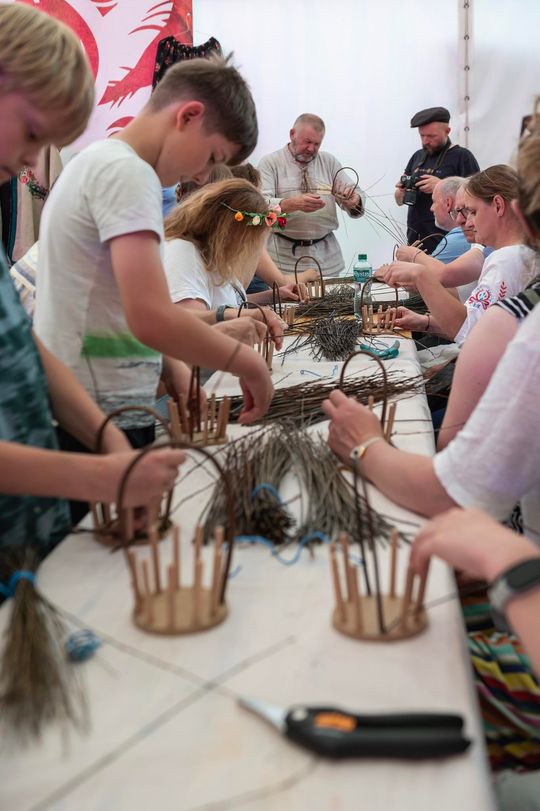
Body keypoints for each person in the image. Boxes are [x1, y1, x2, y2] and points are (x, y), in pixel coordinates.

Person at [0, 3, 184, 556]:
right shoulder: (122, 173)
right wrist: (102, 478)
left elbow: (20, 346)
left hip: (28, 536)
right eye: (33, 132)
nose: (32, 163)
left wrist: (106, 439)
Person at [34, 56, 274, 453]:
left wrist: (170, 365)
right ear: (189, 116)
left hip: (99, 406)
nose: (202, 176)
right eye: (212, 157)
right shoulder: (127, 174)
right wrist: (245, 362)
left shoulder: (100, 162)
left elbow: (119, 303)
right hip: (98, 413)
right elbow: (149, 316)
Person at [382, 166, 537, 345]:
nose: (466, 221)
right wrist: (426, 323)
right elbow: (479, 322)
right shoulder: (523, 253)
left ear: (498, 206)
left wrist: (420, 275)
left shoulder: (506, 259)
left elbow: (473, 332)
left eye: (473, 212)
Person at [163, 178, 289, 340]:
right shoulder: (184, 252)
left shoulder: (213, 253)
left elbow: (221, 303)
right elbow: (187, 321)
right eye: (248, 238)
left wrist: (270, 298)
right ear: (228, 228)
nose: (246, 247)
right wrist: (240, 315)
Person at [258, 113, 365, 276]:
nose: (311, 149)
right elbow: (260, 207)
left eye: (317, 144)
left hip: (326, 258)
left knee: (330, 301)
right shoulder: (270, 163)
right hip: (282, 260)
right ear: (292, 134)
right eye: (307, 142)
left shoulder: (329, 162)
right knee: (286, 300)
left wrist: (353, 200)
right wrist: (293, 204)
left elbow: (356, 194)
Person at [394, 106, 480, 249]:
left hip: (449, 240)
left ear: (447, 131)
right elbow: (398, 200)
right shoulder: (417, 156)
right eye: (422, 136)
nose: (426, 141)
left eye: (431, 136)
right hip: (416, 238)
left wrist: (441, 186)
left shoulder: (462, 156)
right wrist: (401, 192)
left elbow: (477, 196)